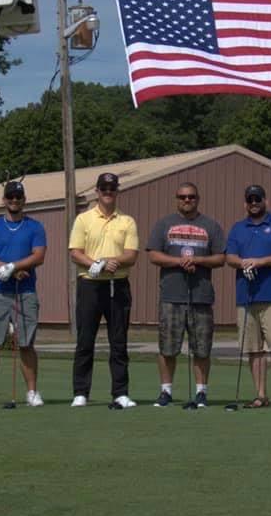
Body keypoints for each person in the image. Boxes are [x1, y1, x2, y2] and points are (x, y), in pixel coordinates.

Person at [146, 182, 226, 408]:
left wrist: (198, 260)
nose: (187, 200)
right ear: (177, 199)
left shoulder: (210, 225)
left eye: (191, 196)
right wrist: (179, 262)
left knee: (201, 348)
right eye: (182, 197)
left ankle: (201, 392)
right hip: (171, 296)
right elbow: (153, 255)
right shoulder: (164, 224)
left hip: (201, 296)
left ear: (197, 199)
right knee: (167, 347)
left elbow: (220, 258)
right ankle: (166, 391)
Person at [68, 172, 140, 408]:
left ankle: (120, 392)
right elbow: (75, 252)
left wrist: (109, 261)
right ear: (97, 191)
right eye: (104, 188)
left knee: (118, 341)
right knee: (85, 340)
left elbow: (131, 255)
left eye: (112, 188)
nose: (108, 192)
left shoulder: (127, 221)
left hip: (117, 284)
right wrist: (96, 264)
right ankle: (81, 392)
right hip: (90, 284)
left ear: (117, 191)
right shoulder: (83, 219)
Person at [225, 184, 271, 411]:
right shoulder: (238, 228)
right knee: (253, 349)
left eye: (258, 199)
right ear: (245, 203)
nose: (254, 203)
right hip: (246, 298)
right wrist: (243, 263)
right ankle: (260, 395)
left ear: (266, 201)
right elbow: (230, 257)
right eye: (250, 200)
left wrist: (260, 262)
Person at [0, 180, 47, 407]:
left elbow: (38, 256)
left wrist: (13, 266)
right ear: (4, 200)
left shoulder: (35, 227)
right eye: (10, 197)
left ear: (24, 200)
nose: (14, 200)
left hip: (25, 291)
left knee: (26, 343)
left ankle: (32, 392)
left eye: (18, 197)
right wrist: (5, 269)